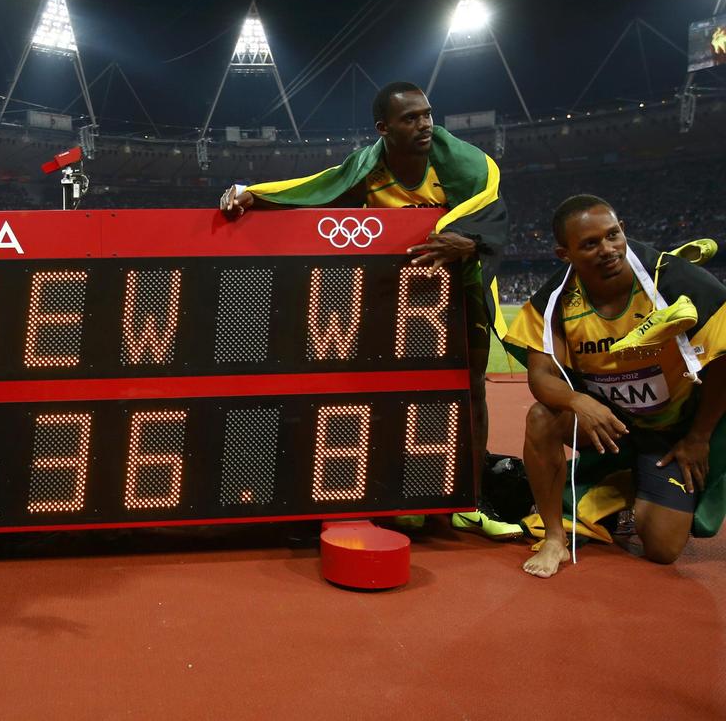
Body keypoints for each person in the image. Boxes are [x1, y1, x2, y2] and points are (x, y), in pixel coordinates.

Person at [219, 81, 517, 538]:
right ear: (384, 128)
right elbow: (318, 188)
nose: (424, 124)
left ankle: (468, 502)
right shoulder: (367, 169)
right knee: (389, 389)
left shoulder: (469, 164)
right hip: (397, 295)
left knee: (470, 387)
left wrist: (471, 243)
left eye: (427, 114)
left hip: (462, 288)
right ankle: (394, 493)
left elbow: (492, 211)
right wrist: (253, 194)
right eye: (410, 118)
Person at [503, 195, 726, 578]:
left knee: (662, 549)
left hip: (672, 432)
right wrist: (577, 401)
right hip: (611, 422)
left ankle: (628, 484)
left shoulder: (676, 280)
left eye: (613, 235)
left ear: (623, 230)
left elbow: (723, 363)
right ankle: (555, 537)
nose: (607, 249)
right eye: (590, 244)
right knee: (543, 417)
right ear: (564, 253)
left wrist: (699, 436)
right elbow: (541, 377)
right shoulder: (553, 301)